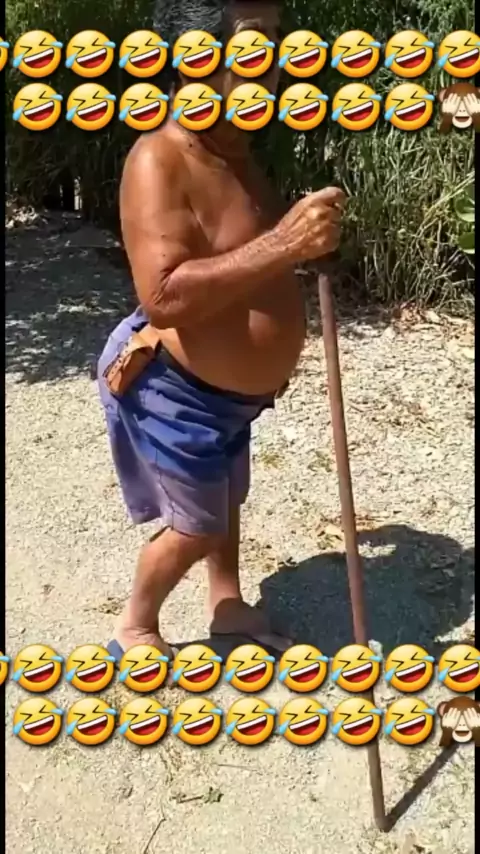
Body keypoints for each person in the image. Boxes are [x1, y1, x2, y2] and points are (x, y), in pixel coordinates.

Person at [97, 0, 345, 660]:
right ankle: (136, 624)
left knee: (227, 496)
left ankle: (226, 602)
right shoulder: (159, 159)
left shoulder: (235, 152)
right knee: (199, 522)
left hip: (229, 398)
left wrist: (308, 246)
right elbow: (164, 296)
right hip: (173, 389)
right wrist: (285, 244)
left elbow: (248, 255)